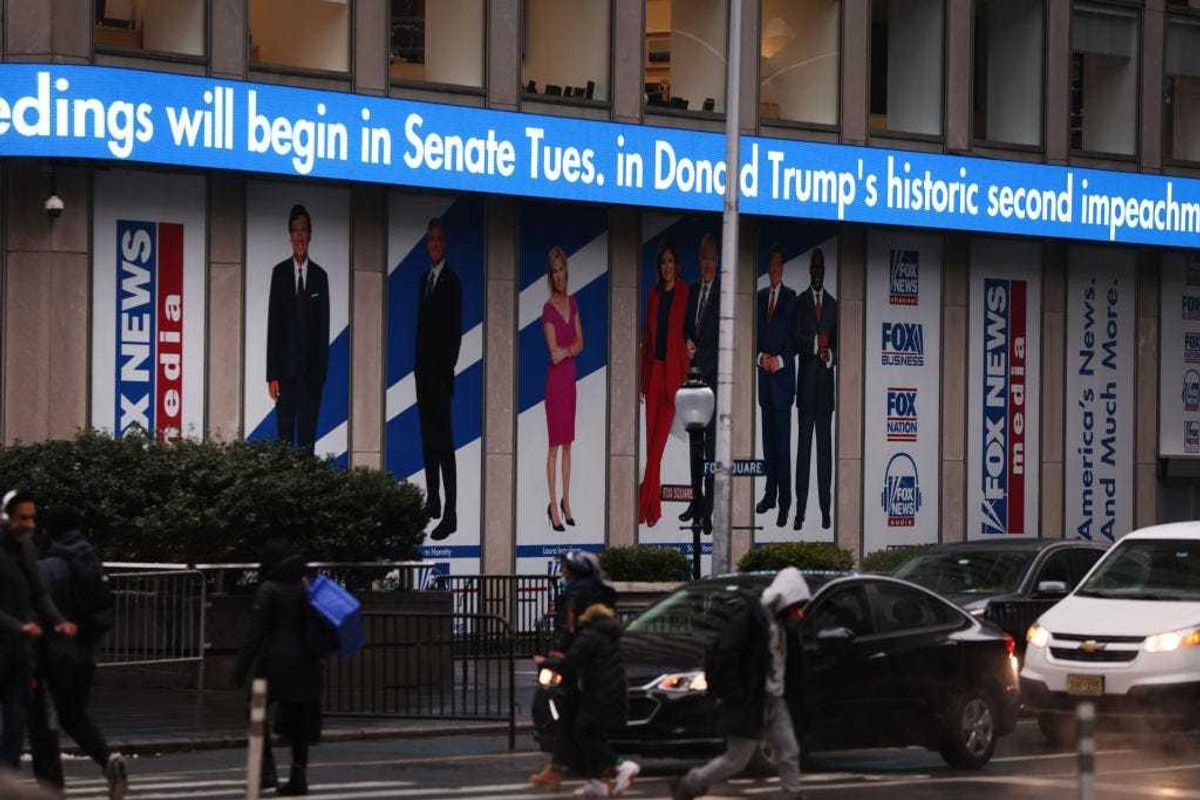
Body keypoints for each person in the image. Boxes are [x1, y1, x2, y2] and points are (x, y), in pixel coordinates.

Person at [673, 568, 811, 800]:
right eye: (794, 606)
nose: (796, 613)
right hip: (750, 701)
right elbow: (727, 654)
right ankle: (691, 783)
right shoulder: (751, 619)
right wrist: (735, 693)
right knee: (737, 760)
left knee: (789, 752)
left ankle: (792, 794)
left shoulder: (783, 625)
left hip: (774, 699)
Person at [35, 504, 127, 800]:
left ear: (50, 531)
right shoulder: (88, 559)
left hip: (54, 654)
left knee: (41, 720)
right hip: (85, 653)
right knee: (73, 716)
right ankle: (107, 759)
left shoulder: (51, 566)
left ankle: (53, 787)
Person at [233, 539, 324, 796]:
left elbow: (255, 635)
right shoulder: (305, 586)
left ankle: (266, 772)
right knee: (300, 724)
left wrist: (240, 669)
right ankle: (299, 777)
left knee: (255, 712)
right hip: (307, 662)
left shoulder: (269, 589)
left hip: (274, 665)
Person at [0, 491, 76, 791]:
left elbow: (39, 592)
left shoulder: (27, 549)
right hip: (8, 642)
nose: (29, 524)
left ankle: (7, 781)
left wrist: (58, 620)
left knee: (16, 723)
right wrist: (18, 626)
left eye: (32, 518)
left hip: (19, 653)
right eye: (23, 518)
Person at [530, 551, 617, 791]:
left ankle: (613, 768)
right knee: (569, 719)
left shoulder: (575, 593)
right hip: (584, 661)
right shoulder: (596, 590)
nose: (561, 571)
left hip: (577, 663)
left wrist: (557, 654)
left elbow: (569, 627)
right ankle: (556, 770)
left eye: (565, 567)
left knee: (579, 722)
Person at [534, 599, 639, 798]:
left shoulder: (590, 635)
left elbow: (570, 662)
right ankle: (597, 783)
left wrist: (546, 661)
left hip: (600, 694)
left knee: (584, 733)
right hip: (610, 692)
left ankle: (622, 765)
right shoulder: (607, 633)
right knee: (591, 734)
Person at [267, 203, 331, 455]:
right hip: (284, 377)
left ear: (310, 235)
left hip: (310, 379)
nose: (300, 236)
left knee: (306, 446)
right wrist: (272, 374)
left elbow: (323, 329)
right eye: (295, 231)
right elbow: (274, 327)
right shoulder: (279, 273)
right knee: (283, 445)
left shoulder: (320, 277)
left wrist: (320, 375)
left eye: (304, 230)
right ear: (290, 236)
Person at [414, 217, 464, 541]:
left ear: (444, 244)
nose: (434, 244)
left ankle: (450, 513)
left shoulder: (451, 281)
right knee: (428, 442)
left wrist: (446, 373)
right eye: (430, 239)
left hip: (441, 377)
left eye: (438, 239)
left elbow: (454, 333)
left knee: (444, 447)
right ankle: (432, 500)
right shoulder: (424, 280)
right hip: (423, 374)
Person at [638, 241, 690, 527]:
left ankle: (646, 506)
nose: (666, 267)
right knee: (650, 447)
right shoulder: (654, 295)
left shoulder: (684, 292)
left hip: (673, 376)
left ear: (676, 265)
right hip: (654, 374)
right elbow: (648, 338)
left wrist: (683, 373)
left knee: (656, 449)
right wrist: (642, 382)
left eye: (670, 261)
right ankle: (651, 509)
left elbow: (687, 334)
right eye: (663, 263)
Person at [794, 247, 837, 531]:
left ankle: (825, 510)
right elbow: (794, 338)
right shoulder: (800, 303)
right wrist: (813, 346)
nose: (818, 273)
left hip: (825, 394)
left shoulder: (834, 304)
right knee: (804, 452)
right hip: (806, 392)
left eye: (821, 269)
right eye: (814, 269)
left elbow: (841, 345)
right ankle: (800, 511)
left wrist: (830, 355)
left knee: (824, 455)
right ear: (810, 272)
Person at [756, 245, 798, 528]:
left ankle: (785, 503)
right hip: (764, 382)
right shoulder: (759, 298)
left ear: (782, 269)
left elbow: (795, 340)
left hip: (782, 383)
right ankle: (769, 496)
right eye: (770, 266)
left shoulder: (792, 298)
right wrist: (761, 358)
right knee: (769, 447)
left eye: (778, 266)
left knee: (783, 448)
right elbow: (753, 335)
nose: (774, 271)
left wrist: (779, 361)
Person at [543, 246, 584, 532]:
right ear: (551, 275)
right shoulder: (548, 309)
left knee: (568, 444)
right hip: (555, 383)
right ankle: (553, 507)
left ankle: (567, 500)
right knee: (554, 447)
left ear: (567, 271)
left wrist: (568, 350)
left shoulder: (574, 302)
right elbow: (552, 352)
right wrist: (570, 350)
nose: (559, 275)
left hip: (570, 381)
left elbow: (580, 344)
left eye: (562, 269)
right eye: (554, 270)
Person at [682, 233, 720, 533]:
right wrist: (688, 343)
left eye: (711, 258)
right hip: (694, 381)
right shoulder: (694, 290)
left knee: (711, 446)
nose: (707, 264)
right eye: (703, 258)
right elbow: (688, 327)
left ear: (717, 262)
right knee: (695, 446)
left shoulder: (723, 292)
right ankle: (696, 500)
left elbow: (722, 336)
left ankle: (708, 510)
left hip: (714, 382)